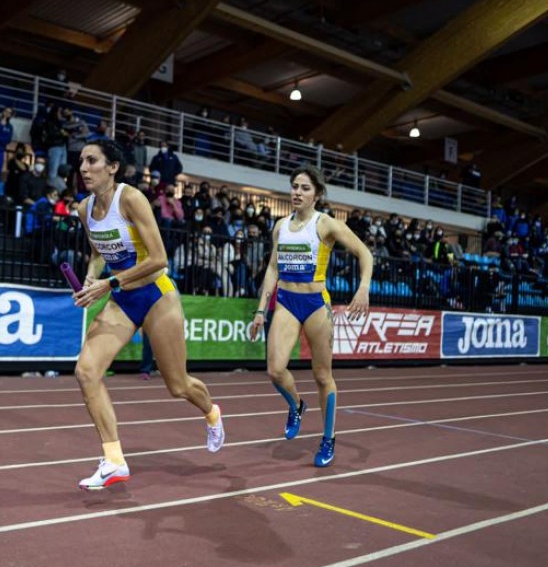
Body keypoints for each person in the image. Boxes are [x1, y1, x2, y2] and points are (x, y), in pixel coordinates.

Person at [71, 139, 224, 490]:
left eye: (92, 161)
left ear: (112, 167)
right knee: (86, 370)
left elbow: (158, 260)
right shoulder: (84, 209)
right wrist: (93, 274)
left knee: (177, 385)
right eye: (81, 161)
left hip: (156, 294)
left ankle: (212, 413)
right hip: (122, 296)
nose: (83, 168)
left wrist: (108, 283)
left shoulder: (131, 199)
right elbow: (98, 252)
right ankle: (113, 460)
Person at [249, 166, 372, 468]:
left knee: (322, 376)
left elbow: (365, 254)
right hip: (287, 302)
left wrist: (363, 289)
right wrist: (260, 311)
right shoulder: (280, 227)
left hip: (316, 303)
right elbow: (273, 269)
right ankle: (296, 405)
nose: (297, 192)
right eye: (294, 186)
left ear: (317, 194)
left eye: (304, 188)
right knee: (275, 370)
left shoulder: (325, 224)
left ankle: (328, 438)